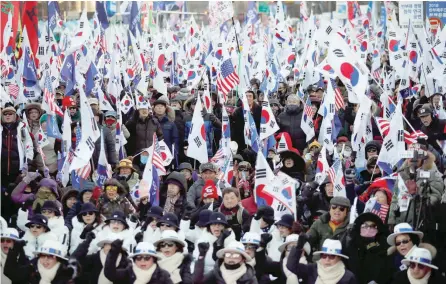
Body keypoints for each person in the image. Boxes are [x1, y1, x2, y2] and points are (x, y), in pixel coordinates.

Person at [342, 212, 393, 284]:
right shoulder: (351, 244)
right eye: (365, 226)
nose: (369, 228)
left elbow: (388, 268)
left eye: (373, 226)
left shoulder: (384, 245)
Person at [286, 237, 356, 284]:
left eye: (332, 256)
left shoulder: (348, 276)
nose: (327, 259)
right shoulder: (312, 269)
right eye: (324, 255)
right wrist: (298, 247)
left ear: (339, 258)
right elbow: (291, 266)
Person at [4, 239, 75, 284]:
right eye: (43, 255)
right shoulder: (32, 268)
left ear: (58, 259)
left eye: (50, 256)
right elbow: (11, 273)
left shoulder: (66, 275)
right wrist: (15, 250)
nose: (45, 259)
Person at [104, 240, 173, 284]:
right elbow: (110, 274)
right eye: (139, 258)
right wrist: (113, 252)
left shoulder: (163, 275)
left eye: (147, 258)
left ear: (154, 259)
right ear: (134, 260)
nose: (142, 261)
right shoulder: (128, 272)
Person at [193, 241, 258, 284]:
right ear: (224, 257)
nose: (231, 257)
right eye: (228, 254)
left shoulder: (249, 276)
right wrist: (201, 256)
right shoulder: (217, 272)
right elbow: (197, 281)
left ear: (243, 259)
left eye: (236, 255)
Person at [1, 105, 34, 188]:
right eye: (5, 114)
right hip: (2, 170)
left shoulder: (22, 128)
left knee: (15, 194)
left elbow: (28, 146)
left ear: (15, 116)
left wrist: (28, 161)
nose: (7, 116)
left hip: (17, 170)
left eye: (10, 114)